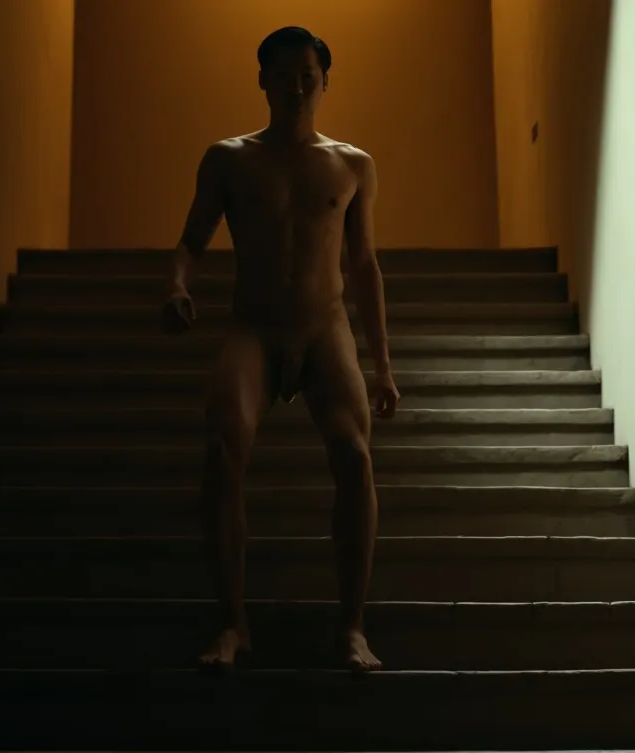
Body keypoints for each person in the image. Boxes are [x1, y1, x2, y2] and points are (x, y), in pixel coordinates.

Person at [161, 26, 400, 673]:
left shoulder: (352, 165)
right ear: (262, 80)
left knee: (355, 454)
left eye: (308, 77)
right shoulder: (229, 159)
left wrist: (382, 365)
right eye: (284, 76)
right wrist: (177, 285)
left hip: (324, 327)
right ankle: (232, 623)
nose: (296, 88)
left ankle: (352, 627)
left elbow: (365, 266)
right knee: (222, 446)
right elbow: (191, 241)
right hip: (255, 327)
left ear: (324, 83)